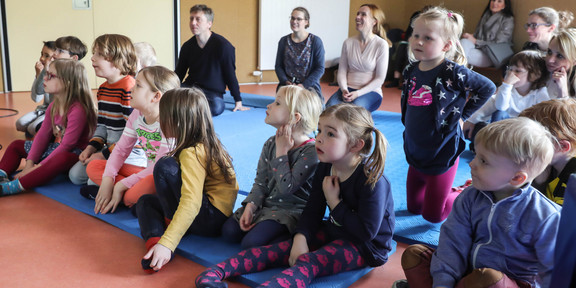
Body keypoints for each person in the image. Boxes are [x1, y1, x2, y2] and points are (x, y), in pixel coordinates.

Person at [196, 103, 395, 288]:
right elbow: (313, 208)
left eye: (330, 134)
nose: (319, 138)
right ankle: (215, 274)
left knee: (310, 262)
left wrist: (334, 202)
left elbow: (366, 232)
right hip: (336, 229)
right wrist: (301, 238)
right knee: (281, 249)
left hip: (365, 247)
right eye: (319, 130)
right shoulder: (326, 166)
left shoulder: (372, 180)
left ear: (355, 145)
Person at [396, 117, 561, 288]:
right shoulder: (470, 197)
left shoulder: (545, 216)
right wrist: (443, 283)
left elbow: (553, 271)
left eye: (483, 161)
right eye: (476, 155)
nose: (472, 164)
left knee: (487, 278)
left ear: (517, 177)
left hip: (502, 282)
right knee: (414, 255)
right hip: (467, 276)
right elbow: (452, 243)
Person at [402, 7, 496, 223]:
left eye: (427, 38)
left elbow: (488, 87)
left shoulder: (453, 72)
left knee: (433, 217)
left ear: (446, 45)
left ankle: (459, 193)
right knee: (413, 208)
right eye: (415, 35)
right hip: (416, 152)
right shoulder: (411, 70)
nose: (418, 41)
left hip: (442, 152)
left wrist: (463, 115)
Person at [134, 88, 239, 273]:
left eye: (163, 116)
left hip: (210, 217)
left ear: (177, 122)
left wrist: (169, 243)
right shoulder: (207, 141)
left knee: (164, 166)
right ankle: (154, 243)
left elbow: (191, 202)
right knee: (145, 202)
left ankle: (164, 241)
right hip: (213, 213)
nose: (159, 120)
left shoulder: (193, 152)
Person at [221, 85, 323, 249]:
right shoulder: (270, 143)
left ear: (294, 117)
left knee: (251, 243)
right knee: (229, 232)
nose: (269, 105)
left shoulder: (311, 152)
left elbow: (286, 187)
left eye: (277, 103)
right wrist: (250, 206)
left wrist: (282, 151)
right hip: (267, 206)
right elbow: (261, 181)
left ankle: (294, 237)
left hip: (291, 211)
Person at [79, 66, 180, 214]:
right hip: (147, 172)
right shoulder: (136, 115)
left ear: (156, 96)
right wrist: (108, 180)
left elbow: (159, 167)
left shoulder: (169, 122)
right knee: (94, 166)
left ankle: (120, 198)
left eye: (138, 85)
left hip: (163, 179)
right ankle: (119, 197)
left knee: (148, 184)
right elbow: (120, 150)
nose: (131, 89)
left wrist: (121, 185)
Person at [0, 59, 96, 195]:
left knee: (60, 158)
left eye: (51, 76)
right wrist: (29, 164)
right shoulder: (54, 106)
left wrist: (35, 168)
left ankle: (11, 187)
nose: (44, 78)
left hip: (77, 155)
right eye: (46, 74)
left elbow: (67, 146)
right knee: (16, 145)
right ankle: (1, 173)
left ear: (67, 83)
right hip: (60, 150)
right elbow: (42, 136)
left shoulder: (78, 109)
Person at [68, 34, 144, 186]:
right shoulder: (103, 89)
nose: (92, 58)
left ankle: (131, 183)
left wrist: (102, 155)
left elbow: (134, 136)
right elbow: (102, 125)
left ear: (118, 59)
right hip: (111, 150)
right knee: (75, 176)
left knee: (92, 182)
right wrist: (91, 148)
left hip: (129, 153)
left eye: (99, 54)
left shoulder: (128, 89)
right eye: (93, 53)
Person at [463, 50, 550, 147]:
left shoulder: (540, 93)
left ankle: (491, 146)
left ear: (534, 75)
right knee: (496, 115)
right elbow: (500, 106)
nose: (510, 74)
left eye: (517, 71)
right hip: (502, 131)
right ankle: (491, 146)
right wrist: (470, 120)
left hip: (523, 133)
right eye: (510, 69)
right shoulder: (507, 89)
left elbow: (544, 115)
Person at [175, 4, 248, 116]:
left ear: (209, 23)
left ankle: (189, 108)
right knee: (170, 96)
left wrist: (238, 101)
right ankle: (191, 107)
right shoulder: (187, 46)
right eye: (191, 19)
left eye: (198, 19)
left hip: (212, 93)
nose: (193, 23)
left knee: (217, 108)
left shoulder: (224, 46)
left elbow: (230, 75)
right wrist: (170, 89)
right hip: (190, 88)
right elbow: (179, 73)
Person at [16, 36, 88, 137]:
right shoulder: (53, 68)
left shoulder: (77, 73)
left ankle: (46, 132)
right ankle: (42, 130)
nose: (55, 53)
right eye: (56, 50)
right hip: (49, 110)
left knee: (33, 127)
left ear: (74, 58)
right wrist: (44, 71)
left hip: (62, 113)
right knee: (21, 124)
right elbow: (38, 91)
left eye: (60, 51)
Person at [325, 4, 391, 112]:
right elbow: (341, 72)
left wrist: (358, 93)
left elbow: (380, 79)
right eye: (358, 14)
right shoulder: (348, 42)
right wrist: (344, 89)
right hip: (348, 90)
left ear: (374, 21)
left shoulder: (381, 44)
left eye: (363, 15)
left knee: (352, 112)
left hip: (370, 92)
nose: (358, 17)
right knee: (329, 111)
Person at [521, 98, 576, 206]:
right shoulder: (555, 161)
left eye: (533, 141)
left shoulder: (572, 181)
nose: (526, 147)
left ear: (563, 146)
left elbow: (554, 219)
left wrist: (538, 182)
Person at [275, 7, 325, 100]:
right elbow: (278, 66)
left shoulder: (316, 41)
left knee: (312, 110)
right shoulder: (283, 41)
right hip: (287, 86)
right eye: (292, 18)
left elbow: (320, 68)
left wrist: (303, 85)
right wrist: (286, 82)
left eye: (299, 19)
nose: (294, 21)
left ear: (306, 22)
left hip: (309, 87)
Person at [460, 0, 514, 68]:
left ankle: (455, 72)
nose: (495, 3)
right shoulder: (486, 15)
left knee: (461, 55)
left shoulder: (508, 19)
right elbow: (477, 35)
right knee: (463, 42)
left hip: (492, 54)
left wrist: (476, 41)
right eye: (493, 0)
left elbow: (499, 43)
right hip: (479, 48)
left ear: (504, 5)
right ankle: (457, 71)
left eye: (499, 1)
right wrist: (470, 36)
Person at [546, 28, 576, 99]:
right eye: (549, 52)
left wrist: (563, 92)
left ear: (574, 61)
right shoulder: (540, 68)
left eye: (560, 56)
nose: (550, 60)